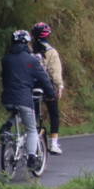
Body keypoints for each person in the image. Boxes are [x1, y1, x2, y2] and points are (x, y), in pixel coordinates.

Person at [0, 30, 56, 170]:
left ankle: (8, 125)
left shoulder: (6, 59)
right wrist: (51, 93)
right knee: (31, 128)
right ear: (26, 43)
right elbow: (43, 78)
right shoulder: (31, 60)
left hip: (7, 98)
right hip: (24, 98)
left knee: (16, 113)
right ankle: (31, 157)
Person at [30, 22, 64, 155]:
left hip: (31, 86)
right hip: (46, 86)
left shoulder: (28, 49)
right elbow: (55, 71)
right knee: (53, 112)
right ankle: (54, 144)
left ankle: (31, 140)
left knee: (32, 114)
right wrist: (59, 85)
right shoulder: (51, 51)